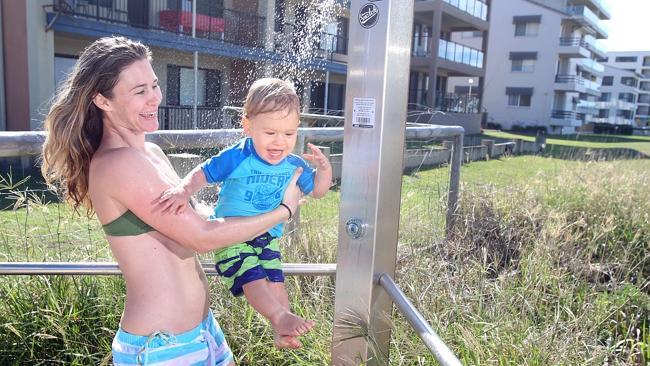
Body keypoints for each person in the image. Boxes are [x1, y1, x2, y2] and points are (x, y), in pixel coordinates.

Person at [41, 36, 307, 365]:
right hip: (162, 347)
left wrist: (256, 197)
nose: (154, 98)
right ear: (103, 100)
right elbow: (201, 236)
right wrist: (283, 210)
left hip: (203, 333)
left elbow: (196, 220)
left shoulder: (150, 152)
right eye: (139, 91)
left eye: (154, 85)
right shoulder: (117, 163)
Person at [157, 78, 333, 349]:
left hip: (268, 238)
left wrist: (324, 171)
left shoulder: (293, 165)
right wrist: (183, 190)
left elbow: (318, 192)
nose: (279, 142)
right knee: (252, 276)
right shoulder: (239, 155)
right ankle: (278, 316)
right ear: (248, 126)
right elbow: (203, 172)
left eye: (288, 134)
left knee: (275, 280)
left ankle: (282, 327)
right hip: (232, 234)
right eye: (270, 133)